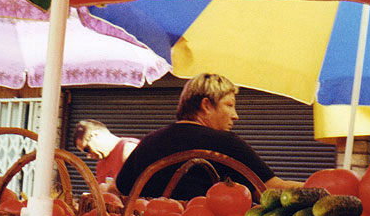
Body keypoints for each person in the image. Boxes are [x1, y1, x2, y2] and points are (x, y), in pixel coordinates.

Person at [115, 73, 304, 200]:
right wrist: (317, 189)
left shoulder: (149, 141)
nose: (235, 115)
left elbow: (119, 189)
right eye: (229, 105)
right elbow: (270, 190)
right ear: (206, 105)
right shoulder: (225, 142)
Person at [74, 119, 139, 193]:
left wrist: (107, 189)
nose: (88, 156)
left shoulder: (128, 148)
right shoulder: (100, 166)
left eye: (87, 149)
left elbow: (135, 186)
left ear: (95, 135)